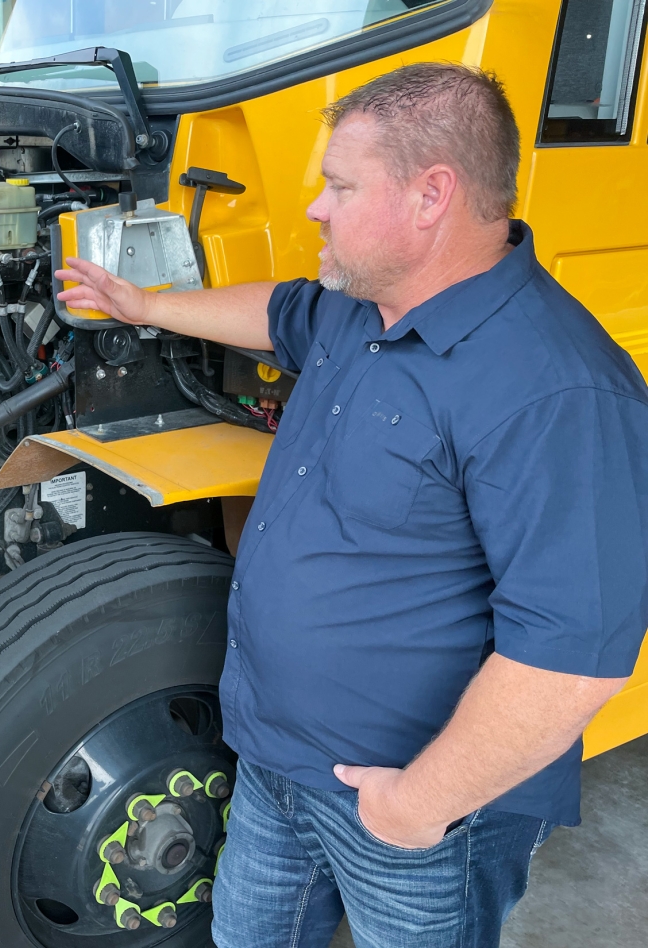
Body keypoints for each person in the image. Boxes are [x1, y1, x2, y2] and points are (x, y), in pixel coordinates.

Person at [57, 63, 648, 948]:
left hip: (413, 816)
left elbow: (572, 663)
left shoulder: (558, 389)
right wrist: (146, 305)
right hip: (273, 764)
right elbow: (277, 312)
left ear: (430, 196)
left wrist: (414, 807)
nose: (315, 210)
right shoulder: (361, 304)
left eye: (338, 186)